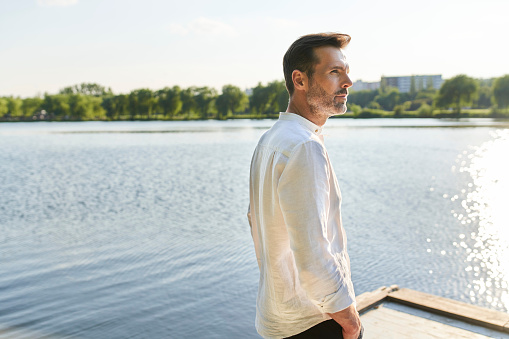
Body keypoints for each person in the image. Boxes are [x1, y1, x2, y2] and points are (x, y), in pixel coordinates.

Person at [247, 33, 363, 339]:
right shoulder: (303, 146)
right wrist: (349, 321)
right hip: (314, 323)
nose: (348, 81)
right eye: (335, 72)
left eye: (346, 71)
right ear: (300, 80)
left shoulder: (271, 139)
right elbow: (312, 249)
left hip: (279, 318)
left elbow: (255, 221)